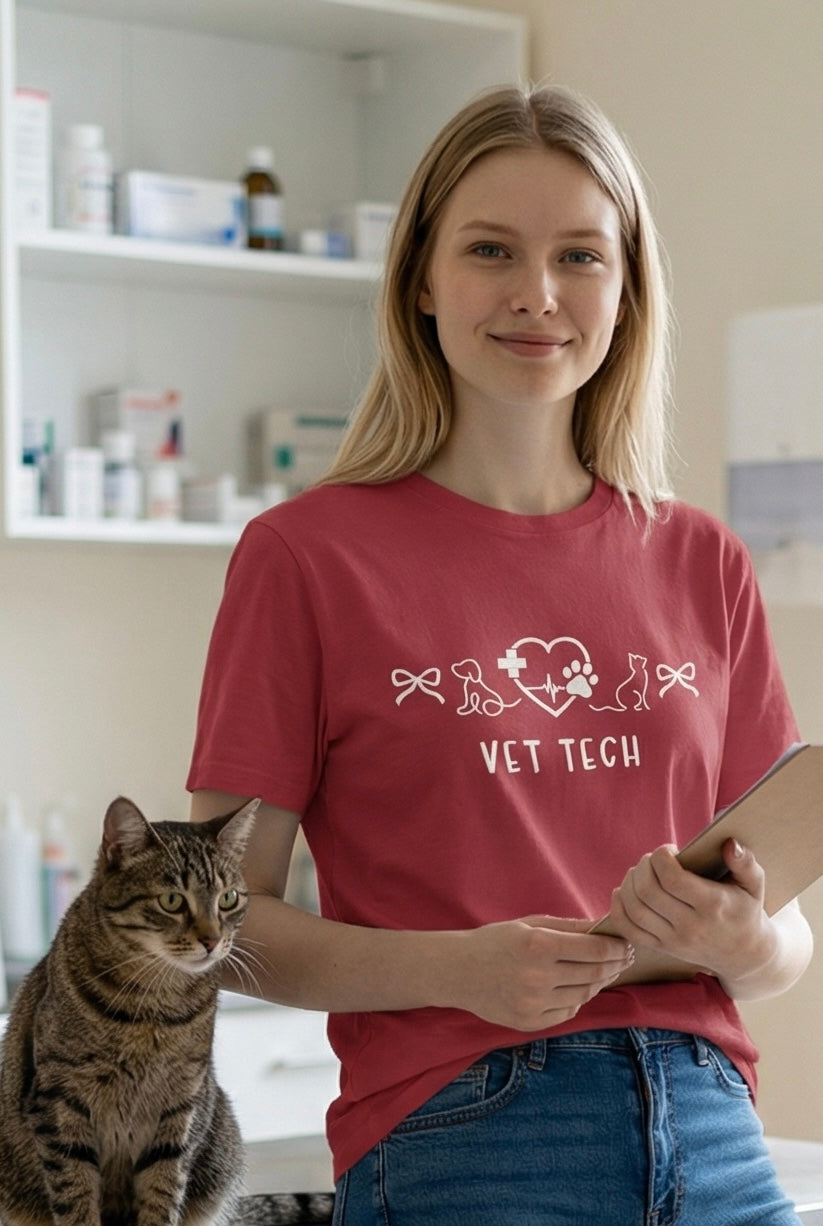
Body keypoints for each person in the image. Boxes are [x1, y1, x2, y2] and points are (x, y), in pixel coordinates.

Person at [188, 83, 813, 1225]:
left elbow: (785, 942)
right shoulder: (307, 556)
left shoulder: (702, 559)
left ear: (626, 292)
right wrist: (455, 970)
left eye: (581, 255)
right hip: (463, 1131)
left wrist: (745, 937)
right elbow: (220, 925)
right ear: (422, 278)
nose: (538, 295)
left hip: (713, 1120)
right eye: (491, 250)